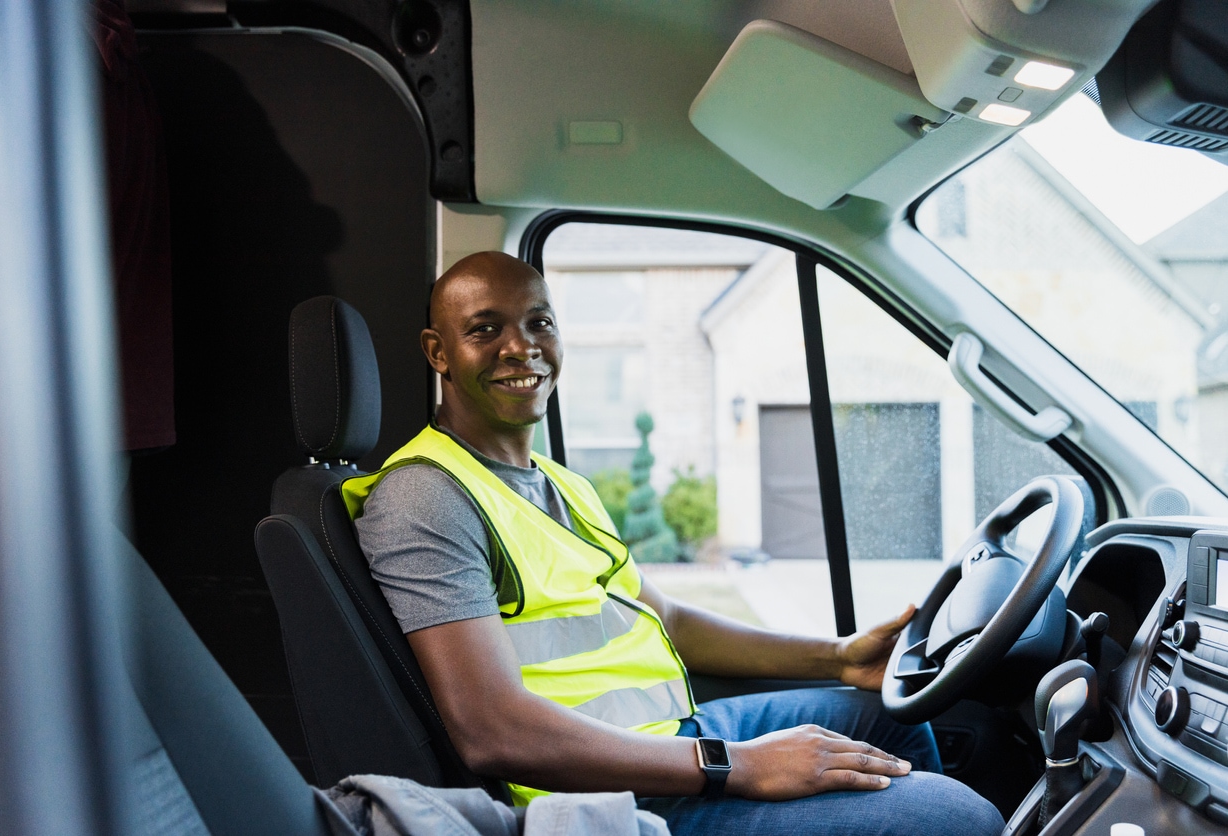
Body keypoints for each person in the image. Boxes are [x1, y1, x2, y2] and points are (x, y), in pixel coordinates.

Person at [348, 252, 1004, 835]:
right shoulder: (425, 498)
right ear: (438, 353)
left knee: (889, 716)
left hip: (664, 741)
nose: (522, 348)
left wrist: (837, 657)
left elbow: (672, 620)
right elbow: (492, 732)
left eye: (539, 323)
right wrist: (733, 764)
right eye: (486, 329)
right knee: (960, 817)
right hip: (602, 795)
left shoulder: (557, 483)